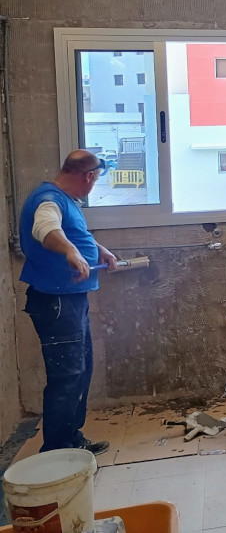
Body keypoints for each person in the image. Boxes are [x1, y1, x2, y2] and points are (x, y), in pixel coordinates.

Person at [19, 150, 117, 455]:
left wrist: (97, 249)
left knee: (79, 371)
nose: (93, 185)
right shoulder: (49, 200)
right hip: (57, 302)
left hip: (68, 300)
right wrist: (71, 252)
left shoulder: (64, 200)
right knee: (67, 377)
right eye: (96, 179)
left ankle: (71, 439)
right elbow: (46, 228)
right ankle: (57, 451)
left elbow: (72, 231)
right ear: (88, 176)